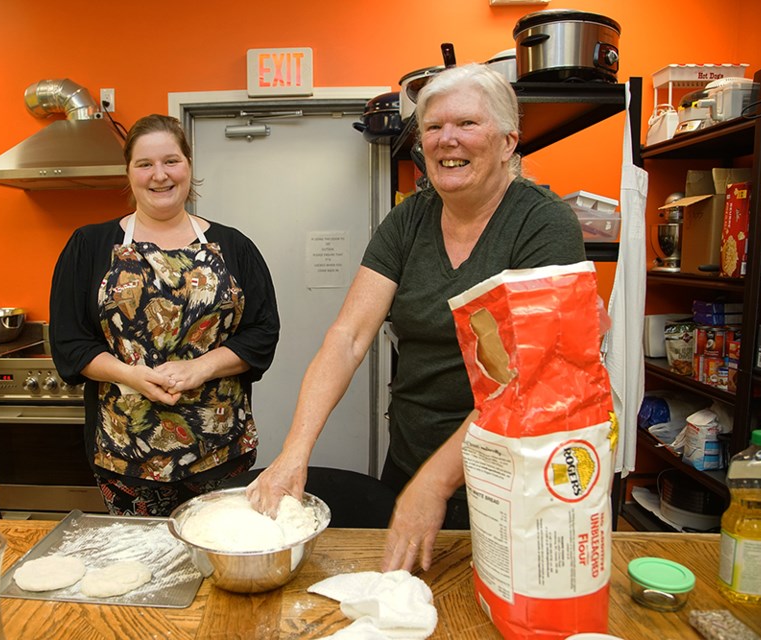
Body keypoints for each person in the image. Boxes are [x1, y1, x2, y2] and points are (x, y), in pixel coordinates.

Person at [247, 63, 594, 572]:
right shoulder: (409, 219)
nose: (446, 140)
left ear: (508, 143)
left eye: (467, 124)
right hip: (410, 460)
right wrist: (293, 452)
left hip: (511, 474)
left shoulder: (542, 224)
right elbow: (348, 336)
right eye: (433, 127)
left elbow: (527, 378)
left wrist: (436, 483)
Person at [50, 114, 280, 517]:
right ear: (129, 173)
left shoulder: (234, 246)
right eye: (145, 164)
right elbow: (70, 342)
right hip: (126, 457)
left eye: (171, 161)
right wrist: (130, 375)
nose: (160, 175)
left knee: (218, 562)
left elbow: (262, 333)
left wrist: (203, 368)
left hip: (220, 452)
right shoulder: (89, 246)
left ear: (189, 166)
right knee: (145, 568)